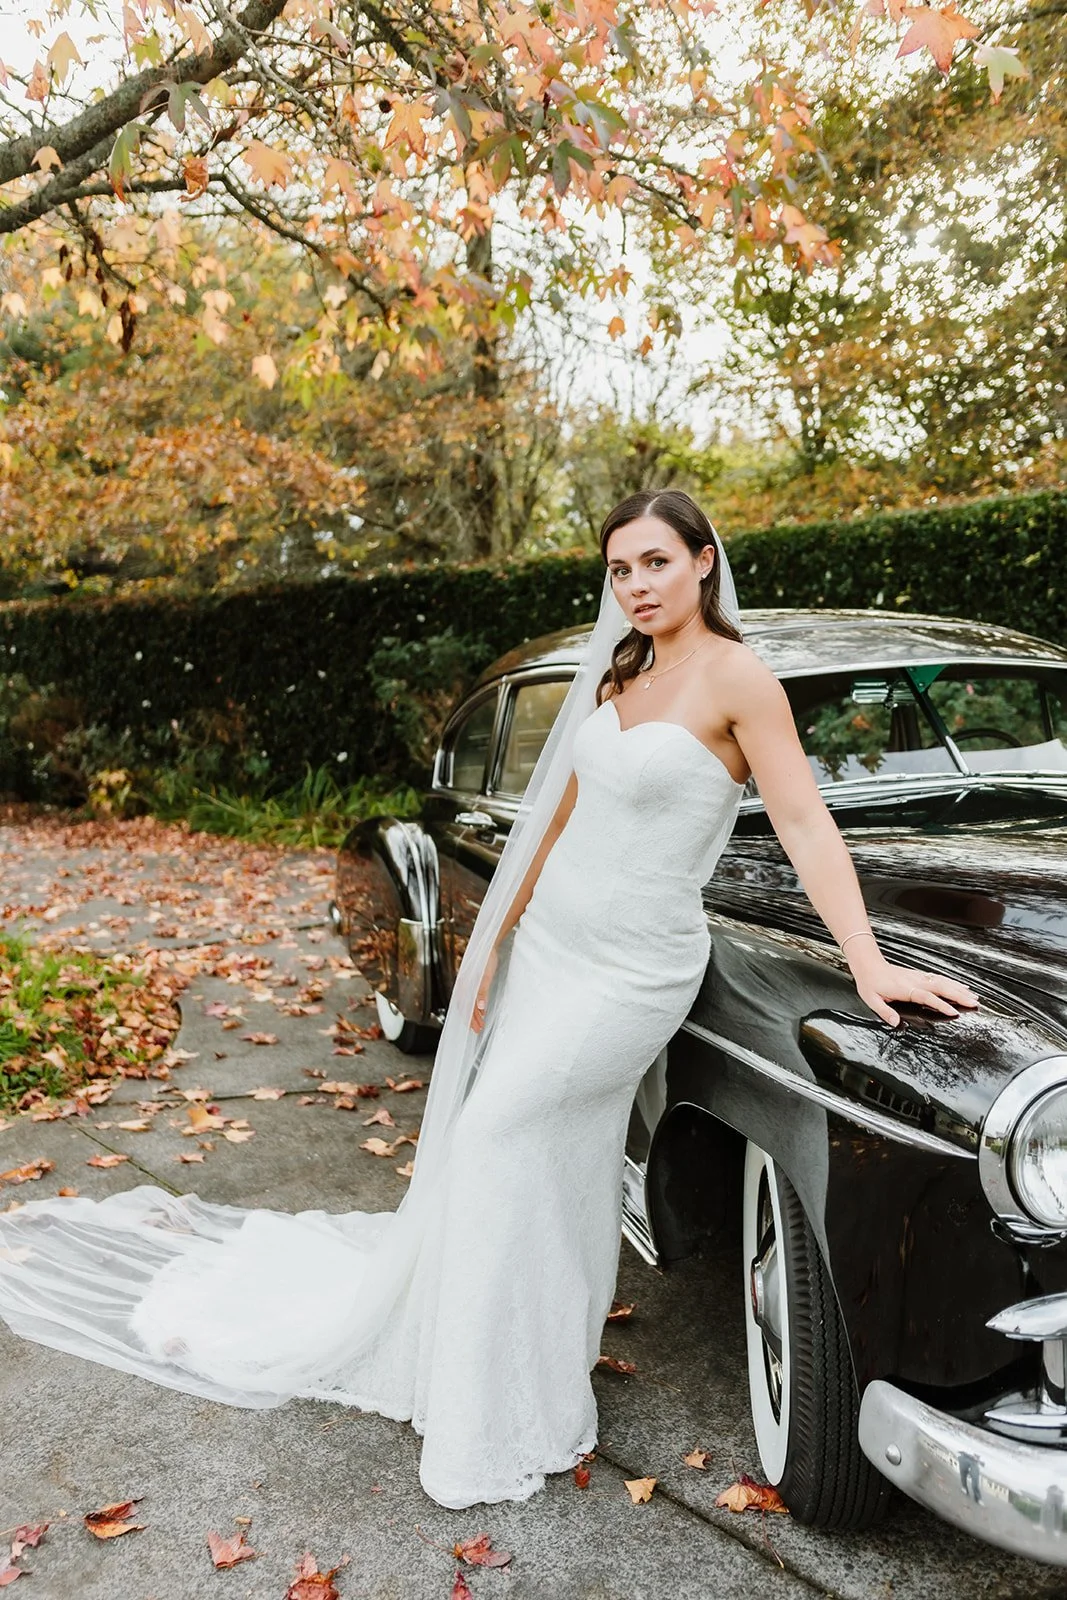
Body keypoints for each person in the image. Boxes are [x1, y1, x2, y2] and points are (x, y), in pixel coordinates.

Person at [0, 488, 978, 1512]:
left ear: (701, 560)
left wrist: (865, 964)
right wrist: (492, 954)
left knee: (507, 1137)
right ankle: (507, 1366)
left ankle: (504, 1396)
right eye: (617, 570)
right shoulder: (621, 671)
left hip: (635, 965)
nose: (635, 586)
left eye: (653, 562)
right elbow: (554, 819)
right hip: (554, 948)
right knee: (530, 1155)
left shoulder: (737, 679)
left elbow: (804, 823)